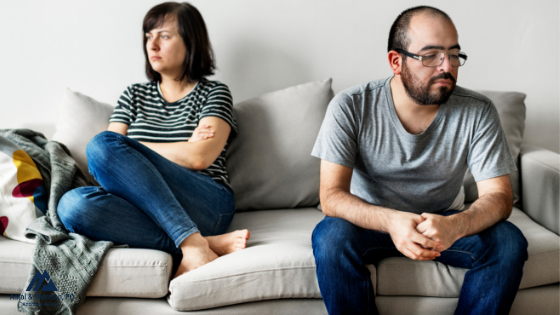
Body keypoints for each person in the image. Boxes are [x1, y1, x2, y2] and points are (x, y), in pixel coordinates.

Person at [311, 6, 528, 315]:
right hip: (370, 222)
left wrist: (456, 225)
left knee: (507, 242)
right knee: (330, 237)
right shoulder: (350, 106)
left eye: (454, 55)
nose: (447, 67)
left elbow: (500, 197)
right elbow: (331, 197)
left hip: (443, 222)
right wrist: (391, 221)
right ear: (396, 62)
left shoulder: (478, 110)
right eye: (430, 56)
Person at [58, 2, 249, 278]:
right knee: (72, 205)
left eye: (164, 35)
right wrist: (173, 148)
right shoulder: (133, 95)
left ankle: (192, 240)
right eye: (148, 36)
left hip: (206, 202)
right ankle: (197, 244)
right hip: (146, 207)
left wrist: (133, 149)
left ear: (191, 42)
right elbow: (106, 164)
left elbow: (199, 157)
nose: (152, 45)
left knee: (104, 145)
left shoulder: (214, 93)